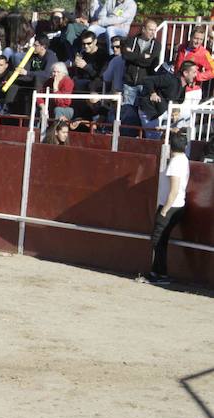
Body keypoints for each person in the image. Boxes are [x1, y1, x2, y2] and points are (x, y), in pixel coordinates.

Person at [144, 134, 189, 285]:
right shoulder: (183, 160)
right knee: (161, 240)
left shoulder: (176, 163)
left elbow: (174, 189)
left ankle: (159, 274)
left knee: (158, 240)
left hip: (170, 206)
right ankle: (158, 273)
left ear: (170, 146)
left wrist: (164, 210)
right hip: (177, 205)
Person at [121, 18, 159, 107]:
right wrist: (143, 57)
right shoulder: (131, 40)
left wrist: (133, 56)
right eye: (150, 30)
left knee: (141, 111)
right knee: (127, 110)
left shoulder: (156, 45)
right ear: (143, 29)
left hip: (145, 84)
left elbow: (151, 63)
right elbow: (125, 56)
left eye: (154, 30)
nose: (153, 32)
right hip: (129, 83)